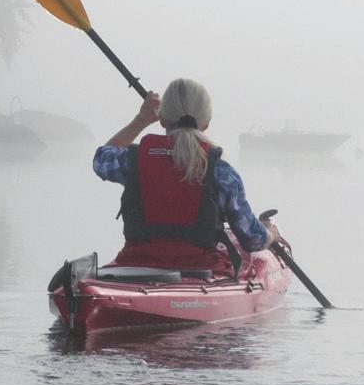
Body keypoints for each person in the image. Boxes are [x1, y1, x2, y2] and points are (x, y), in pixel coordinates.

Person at [93, 78, 280, 276]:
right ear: (206, 124)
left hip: (136, 263)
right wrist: (271, 234)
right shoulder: (221, 172)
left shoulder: (132, 161)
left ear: (163, 119)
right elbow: (253, 240)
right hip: (200, 270)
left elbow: (101, 159)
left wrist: (141, 119)